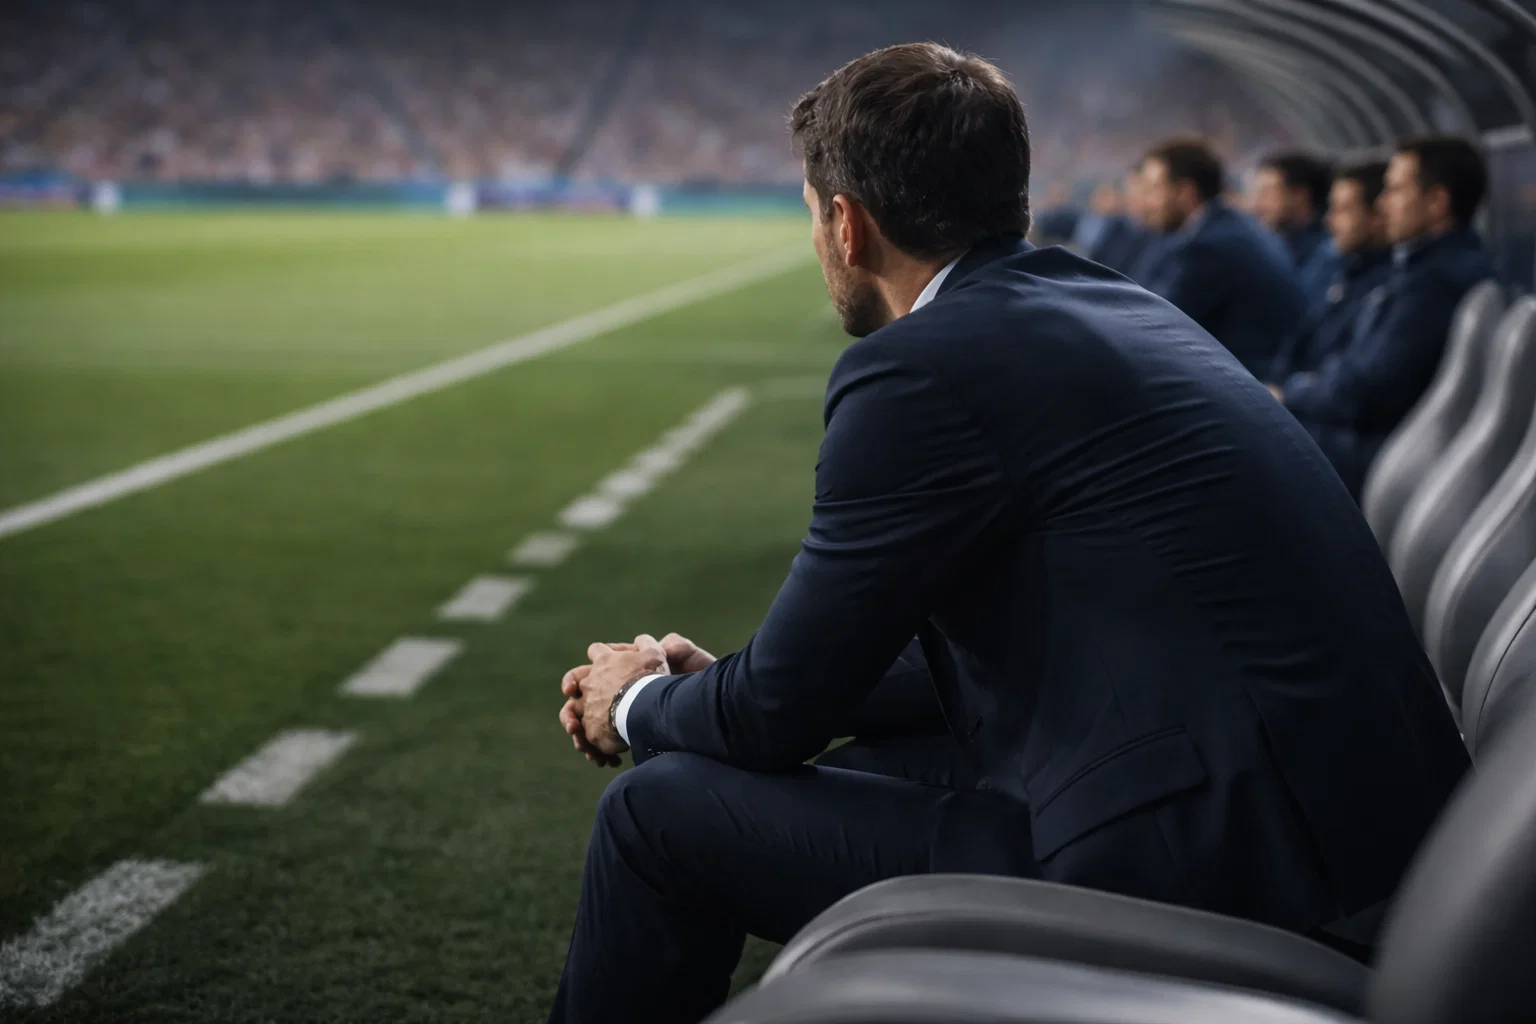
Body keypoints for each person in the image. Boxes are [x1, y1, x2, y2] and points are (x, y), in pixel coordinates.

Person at [549, 44, 1470, 1024]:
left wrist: (642, 700)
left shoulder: (919, 370)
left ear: (847, 224)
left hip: (1221, 858)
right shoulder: (1114, 303)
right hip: (1335, 828)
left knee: (658, 813)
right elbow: (844, 673)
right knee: (788, 759)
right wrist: (716, 683)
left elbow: (778, 711)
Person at [1272, 137, 1495, 499]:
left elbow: (1369, 391)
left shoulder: (1433, 284)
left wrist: (1293, 392)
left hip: (1378, 459)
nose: (1384, 205)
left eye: (1395, 190)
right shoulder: (1428, 270)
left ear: (1437, 202)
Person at [1139, 137, 1309, 375]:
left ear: (1185, 192)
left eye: (1153, 189)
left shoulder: (1211, 246)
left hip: (1256, 379)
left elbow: (1155, 327)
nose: (1146, 201)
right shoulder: (1227, 227)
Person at [1266, 161, 1391, 387]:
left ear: (1378, 215)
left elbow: (1353, 379)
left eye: (1343, 210)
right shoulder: (1349, 272)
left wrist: (1290, 392)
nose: (1329, 220)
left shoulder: (1384, 284)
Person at [1252, 152, 1340, 308]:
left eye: (1267, 193)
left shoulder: (1328, 255)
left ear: (1300, 195)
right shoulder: (1275, 246)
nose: (1257, 204)